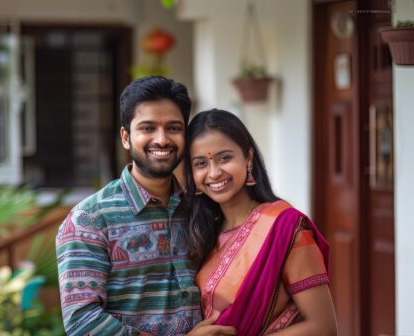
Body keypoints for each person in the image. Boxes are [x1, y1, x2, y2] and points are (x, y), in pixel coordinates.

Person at [56, 77, 236, 336]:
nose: (162, 140)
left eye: (174, 128)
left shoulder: (201, 208)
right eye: (148, 128)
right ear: (126, 137)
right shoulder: (91, 219)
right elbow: (83, 321)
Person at [184, 109, 338, 335]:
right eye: (200, 164)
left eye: (224, 158)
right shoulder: (202, 232)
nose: (214, 172)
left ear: (248, 158)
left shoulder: (286, 228)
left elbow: (324, 327)